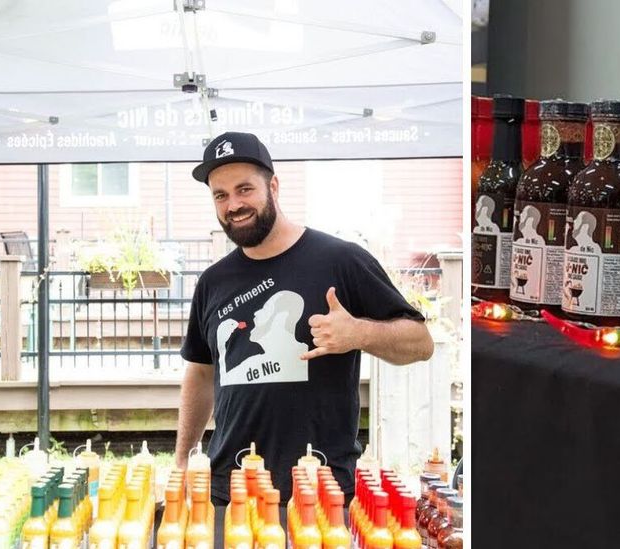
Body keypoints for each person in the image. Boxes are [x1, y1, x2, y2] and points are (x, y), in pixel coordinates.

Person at [175, 132, 434, 520]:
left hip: (321, 491)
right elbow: (200, 371)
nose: (234, 204)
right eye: (221, 195)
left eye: (245, 189)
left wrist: (358, 334)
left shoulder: (340, 260)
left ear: (273, 186)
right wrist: (182, 460)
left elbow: (421, 342)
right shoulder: (213, 281)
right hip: (229, 492)